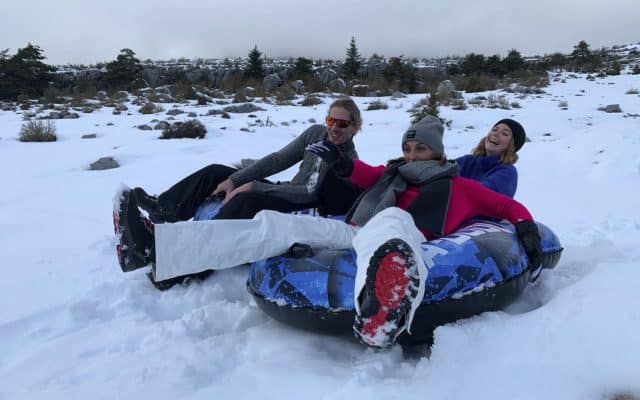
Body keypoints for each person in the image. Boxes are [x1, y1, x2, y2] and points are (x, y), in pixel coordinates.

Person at [118, 116, 542, 348]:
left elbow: (506, 205)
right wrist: (337, 161)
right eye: (409, 147)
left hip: (412, 236)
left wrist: (525, 230)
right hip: (354, 229)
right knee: (273, 225)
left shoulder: (456, 183)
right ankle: (156, 250)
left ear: (437, 152)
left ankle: (383, 305)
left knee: (391, 224)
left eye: (421, 149)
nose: (412, 155)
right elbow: (365, 171)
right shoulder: (394, 172)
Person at [114, 97, 364, 273]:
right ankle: (163, 210)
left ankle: (166, 260)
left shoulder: (347, 162)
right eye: (331, 120)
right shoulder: (315, 134)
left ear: (354, 128)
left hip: (300, 202)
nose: (334, 128)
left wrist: (254, 187)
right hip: (287, 188)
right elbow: (278, 160)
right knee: (215, 173)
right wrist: (235, 179)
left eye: (342, 124)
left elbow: (308, 192)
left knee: (245, 201)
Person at [456, 118, 526, 198]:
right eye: (495, 129)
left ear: (511, 146)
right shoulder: (468, 161)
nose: (495, 134)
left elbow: (481, 195)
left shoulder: (507, 172)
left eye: (505, 134)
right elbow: (443, 169)